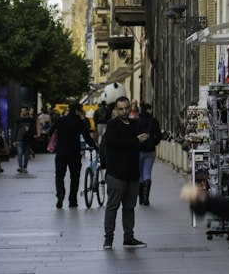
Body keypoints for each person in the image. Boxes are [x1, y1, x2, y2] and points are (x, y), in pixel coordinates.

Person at [101, 95, 151, 249]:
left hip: (132, 174)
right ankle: (108, 240)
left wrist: (136, 142)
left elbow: (145, 142)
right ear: (116, 109)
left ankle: (128, 238)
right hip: (116, 174)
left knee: (129, 207)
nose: (123, 111)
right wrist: (135, 141)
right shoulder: (112, 124)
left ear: (130, 108)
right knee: (112, 206)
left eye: (126, 108)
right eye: (120, 109)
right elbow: (117, 142)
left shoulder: (136, 123)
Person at [52, 102, 97, 209]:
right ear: (77, 110)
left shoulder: (60, 120)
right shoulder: (80, 122)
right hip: (74, 153)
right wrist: (95, 146)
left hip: (61, 152)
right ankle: (73, 200)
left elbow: (50, 132)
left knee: (59, 175)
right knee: (74, 177)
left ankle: (60, 193)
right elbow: (87, 138)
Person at [135, 103, 162, 205]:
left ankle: (141, 198)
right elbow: (159, 135)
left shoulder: (136, 121)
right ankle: (146, 198)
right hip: (150, 151)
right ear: (149, 109)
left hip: (138, 150)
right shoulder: (154, 121)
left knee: (139, 174)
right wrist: (153, 142)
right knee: (147, 174)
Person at [14, 108, 35, 173]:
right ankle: (20, 167)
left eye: (25, 110)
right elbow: (15, 130)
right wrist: (14, 140)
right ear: (21, 112)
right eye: (22, 111)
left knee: (26, 154)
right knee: (19, 153)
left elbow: (34, 129)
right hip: (19, 139)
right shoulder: (18, 120)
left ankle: (25, 167)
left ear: (27, 111)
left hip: (27, 139)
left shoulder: (30, 120)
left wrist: (29, 129)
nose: (24, 112)